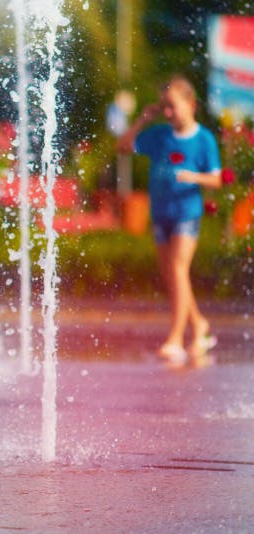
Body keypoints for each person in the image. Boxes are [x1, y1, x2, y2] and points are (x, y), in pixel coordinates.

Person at [117, 75, 221, 367]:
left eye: (172, 106)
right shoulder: (160, 134)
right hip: (161, 213)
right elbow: (123, 146)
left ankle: (175, 338)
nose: (167, 112)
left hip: (187, 213)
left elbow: (216, 179)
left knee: (178, 269)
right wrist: (142, 120)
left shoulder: (203, 139)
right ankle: (199, 324)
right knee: (173, 276)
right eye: (163, 106)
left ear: (191, 104)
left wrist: (193, 177)